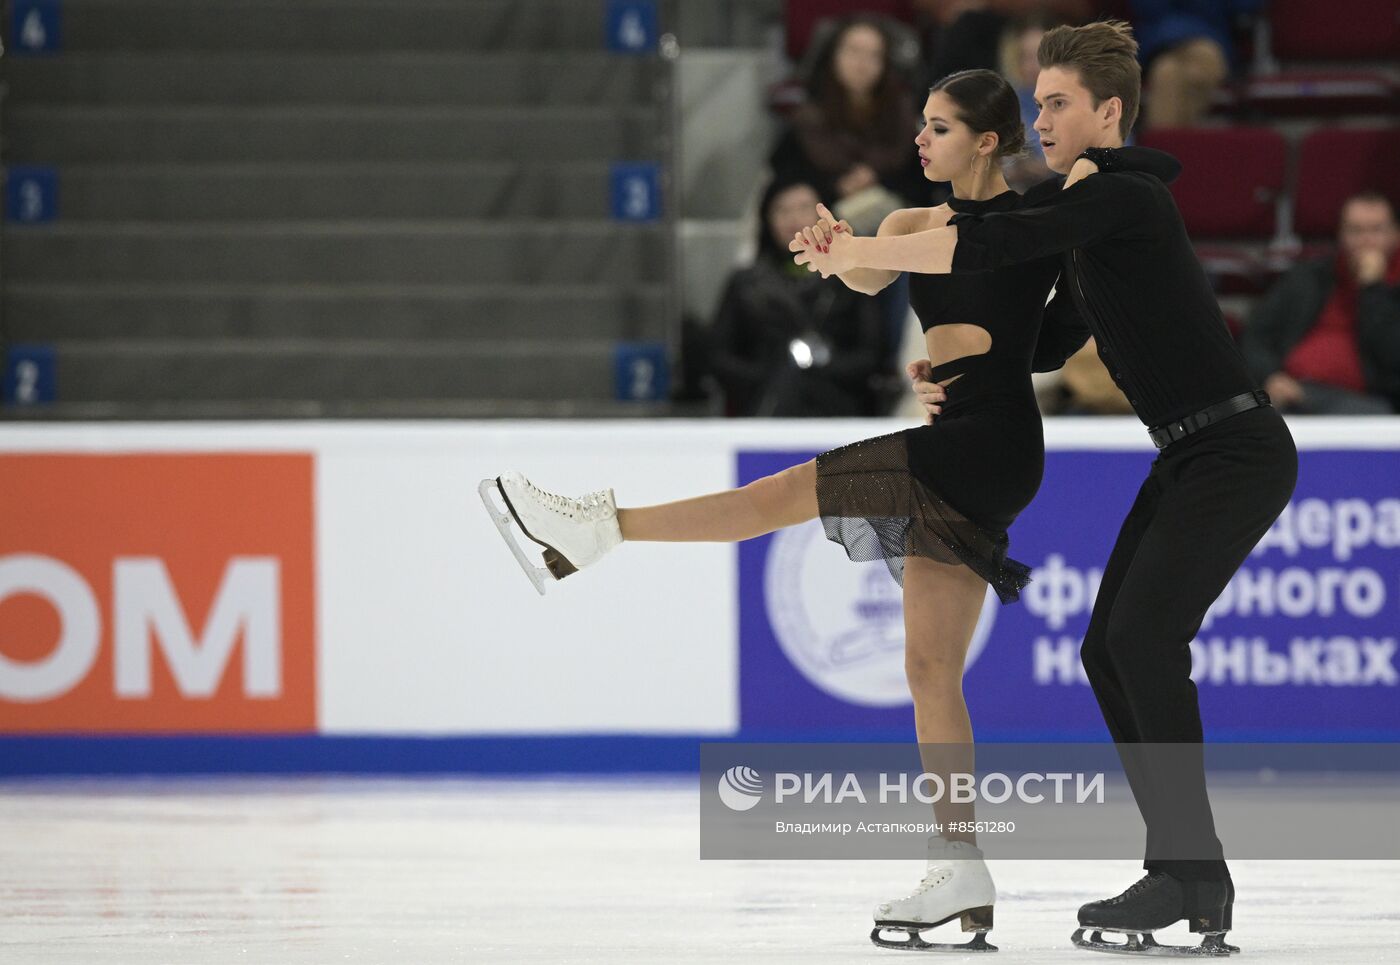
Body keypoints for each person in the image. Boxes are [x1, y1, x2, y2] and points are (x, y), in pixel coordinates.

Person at [482, 68, 1178, 952]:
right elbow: (861, 281)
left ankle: (594, 528)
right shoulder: (909, 223)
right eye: (919, 124)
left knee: (767, 500)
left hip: (988, 445)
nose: (919, 140)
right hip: (965, 436)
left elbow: (1047, 310)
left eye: (939, 127)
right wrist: (835, 248)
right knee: (929, 670)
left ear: (988, 140)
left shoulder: (1028, 229)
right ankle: (959, 868)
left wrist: (868, 263)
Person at [799, 20, 1296, 956]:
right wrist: (959, 363)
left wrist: (858, 250)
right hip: (1191, 454)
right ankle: (1184, 872)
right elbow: (1052, 345)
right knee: (1110, 649)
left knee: (1142, 639)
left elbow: (995, 245)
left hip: (1236, 449)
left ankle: (1192, 871)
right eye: (1039, 101)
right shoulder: (1089, 210)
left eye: (1059, 102)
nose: (1043, 116)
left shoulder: (1123, 196)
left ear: (1109, 112)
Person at [708, 178, 887, 417]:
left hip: (840, 408)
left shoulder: (852, 278)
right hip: (765, 407)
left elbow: (873, 353)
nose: (794, 219)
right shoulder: (746, 283)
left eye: (804, 208)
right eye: (782, 210)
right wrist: (770, 372)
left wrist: (824, 366)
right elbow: (719, 356)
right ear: (766, 219)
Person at [1240, 191, 1400, 415]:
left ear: (1395, 234)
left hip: (1367, 404)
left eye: (1376, 230)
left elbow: (1392, 357)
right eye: (1355, 230)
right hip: (1290, 391)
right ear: (1341, 234)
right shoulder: (1310, 276)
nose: (1366, 240)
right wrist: (1270, 375)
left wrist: (1372, 289)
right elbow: (1256, 334)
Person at [1132, 0, 1261, 129]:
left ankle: (1163, 143)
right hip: (1162, 40)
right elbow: (1147, 8)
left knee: (1167, 72)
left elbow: (1246, 6)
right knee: (1190, 65)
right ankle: (1173, 142)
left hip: (1210, 36)